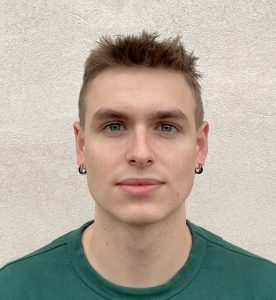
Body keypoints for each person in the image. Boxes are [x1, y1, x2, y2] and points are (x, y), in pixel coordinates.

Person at [0, 31, 275, 299]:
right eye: (114, 126)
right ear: (81, 145)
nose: (140, 153)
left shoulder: (263, 288)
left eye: (166, 127)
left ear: (199, 146)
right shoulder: (13, 289)